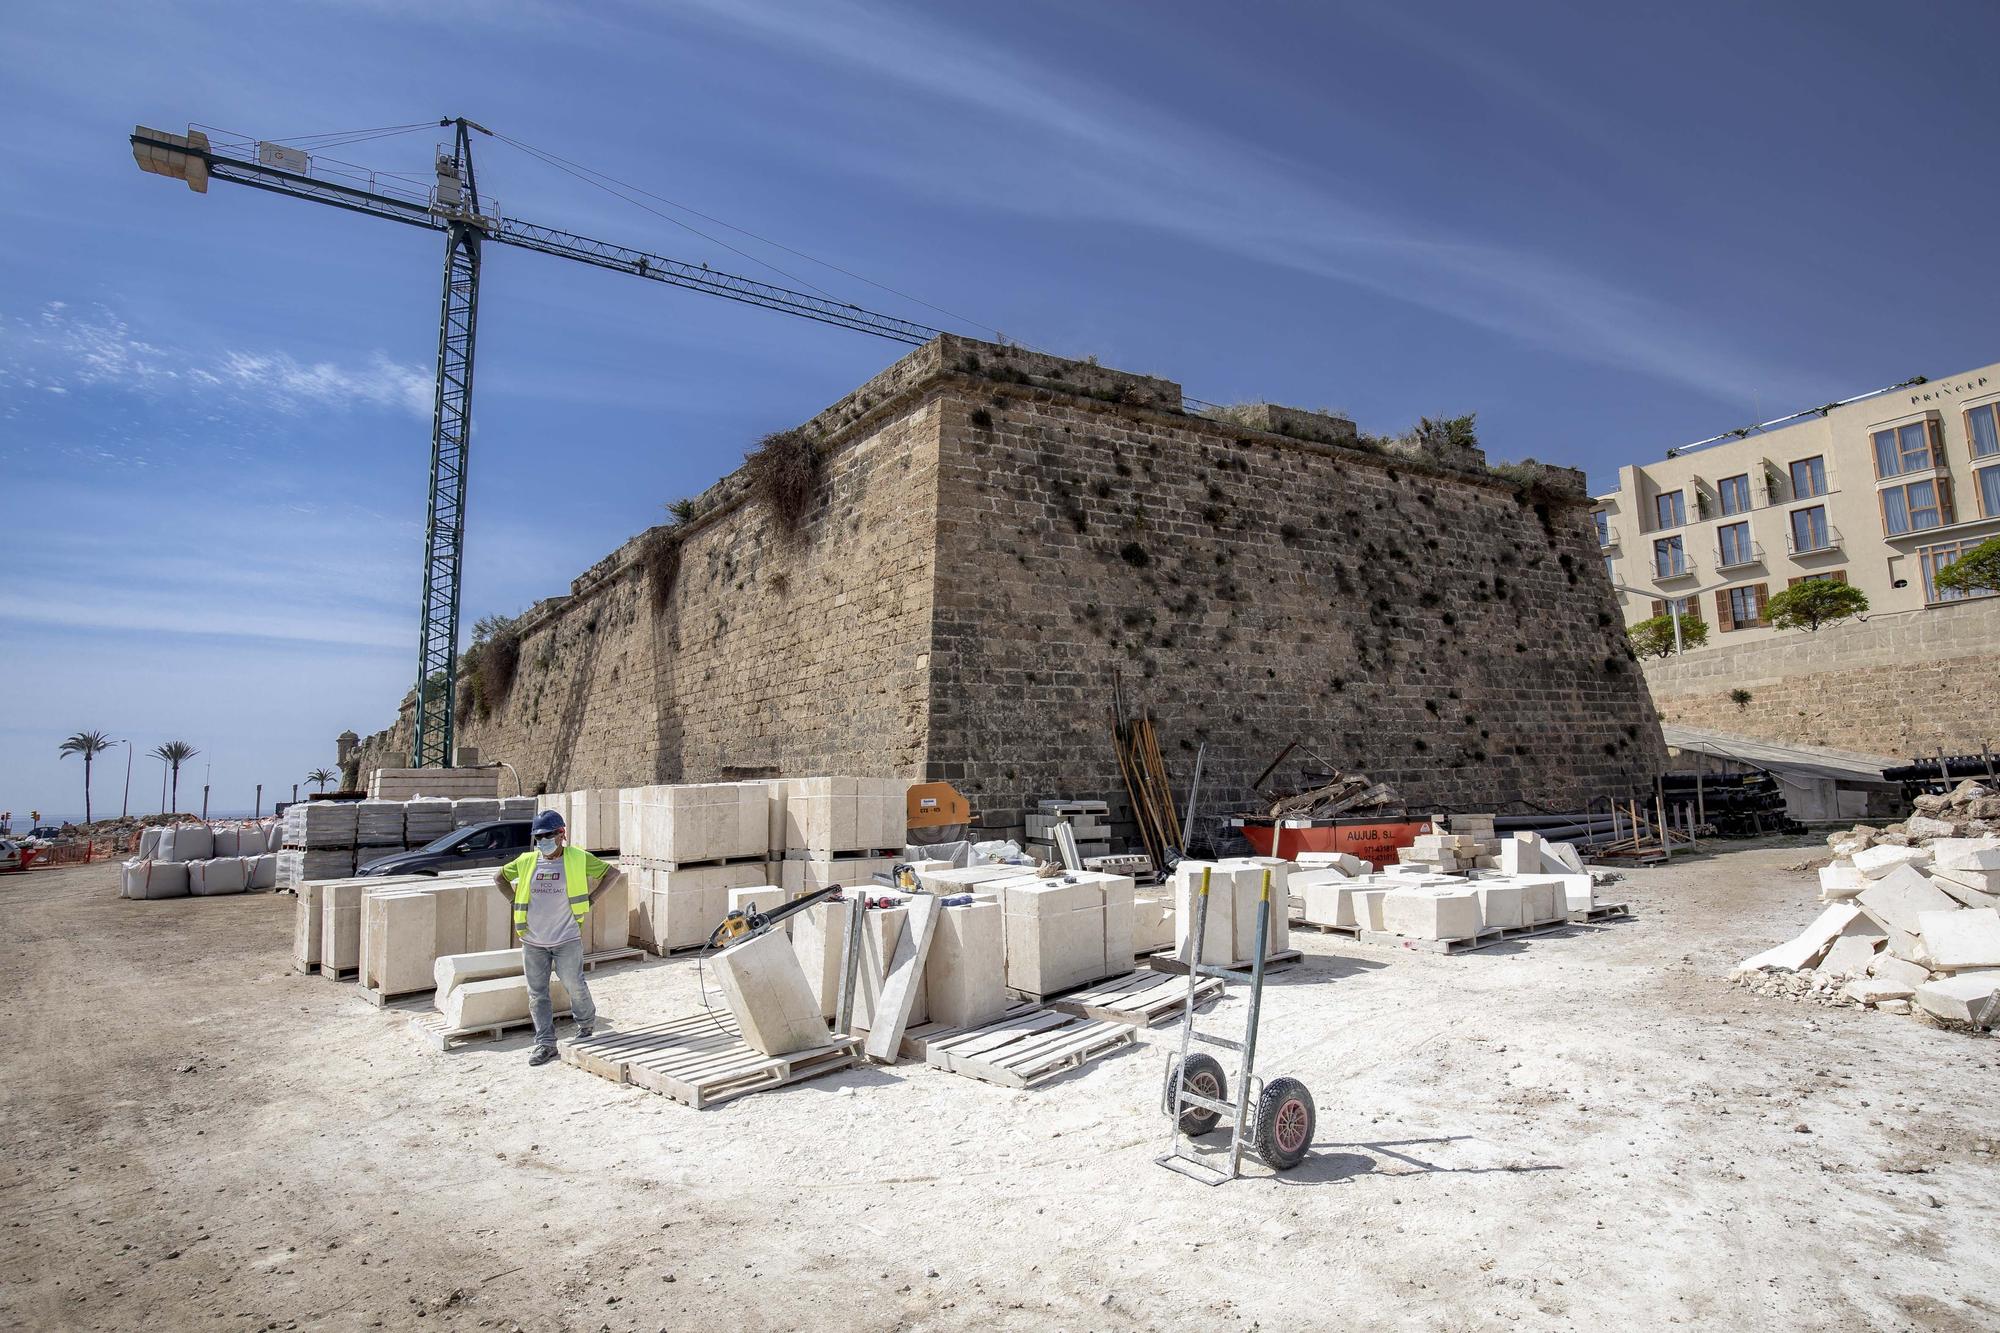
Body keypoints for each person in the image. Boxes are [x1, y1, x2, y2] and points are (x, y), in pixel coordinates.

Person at [495, 810, 622, 1067]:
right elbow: (499, 877)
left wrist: (592, 898)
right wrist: (513, 899)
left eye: (547, 835)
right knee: (537, 993)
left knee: (574, 984)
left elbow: (612, 873)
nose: (542, 840)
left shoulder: (577, 858)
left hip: (566, 938)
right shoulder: (527, 861)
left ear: (561, 834)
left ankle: (586, 1026)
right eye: (538, 836)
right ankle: (545, 1043)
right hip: (533, 941)